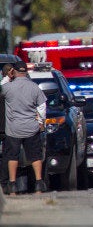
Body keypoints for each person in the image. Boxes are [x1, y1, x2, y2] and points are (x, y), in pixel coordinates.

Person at [1, 61, 47, 195]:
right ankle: (39, 183)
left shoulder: (8, 87)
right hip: (31, 128)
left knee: (12, 156)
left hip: (13, 129)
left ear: (13, 71)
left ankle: (13, 185)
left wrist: (7, 77)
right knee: (35, 156)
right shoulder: (34, 87)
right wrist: (40, 122)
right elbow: (42, 106)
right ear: (26, 71)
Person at [0, 64, 15, 194]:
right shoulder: (8, 87)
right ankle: (4, 183)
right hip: (6, 127)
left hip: (5, 126)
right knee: (8, 156)